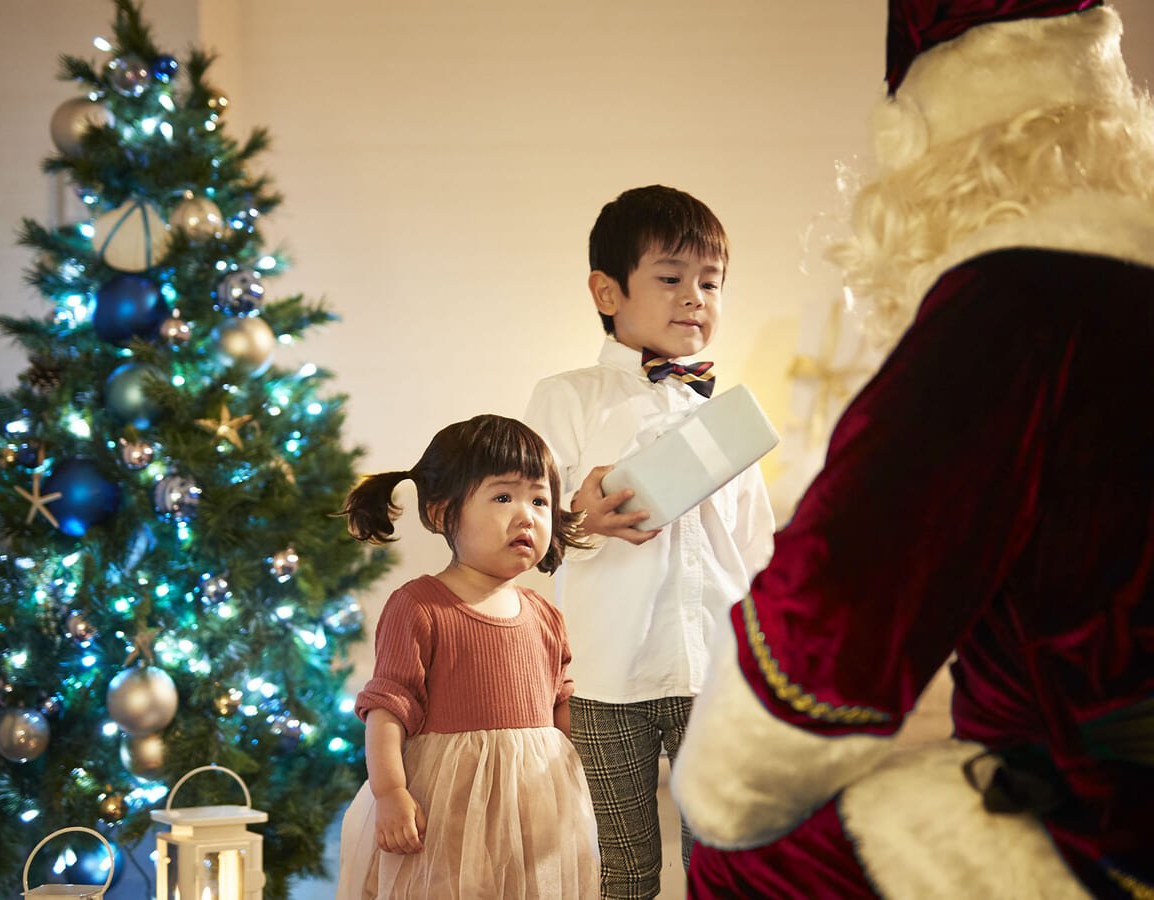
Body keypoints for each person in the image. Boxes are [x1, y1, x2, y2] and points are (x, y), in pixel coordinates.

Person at [672, 2, 1154, 898]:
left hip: (1106, 828)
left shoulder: (1008, 303)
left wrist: (719, 779)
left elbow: (810, 655)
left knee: (742, 858)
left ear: (927, 148)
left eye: (707, 280)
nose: (695, 299)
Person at [524, 185, 776, 898]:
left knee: (724, 861)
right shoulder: (566, 397)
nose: (693, 298)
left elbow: (758, 550)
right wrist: (580, 516)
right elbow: (528, 533)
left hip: (718, 670)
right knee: (622, 866)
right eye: (670, 279)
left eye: (710, 282)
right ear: (608, 291)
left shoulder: (735, 416)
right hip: (605, 674)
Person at [334, 414, 600, 899]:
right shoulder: (420, 606)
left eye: (540, 500)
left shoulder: (544, 615)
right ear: (440, 513)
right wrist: (390, 793)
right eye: (503, 497)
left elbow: (560, 707)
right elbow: (386, 709)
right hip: (446, 808)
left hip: (534, 809)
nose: (527, 516)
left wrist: (575, 782)